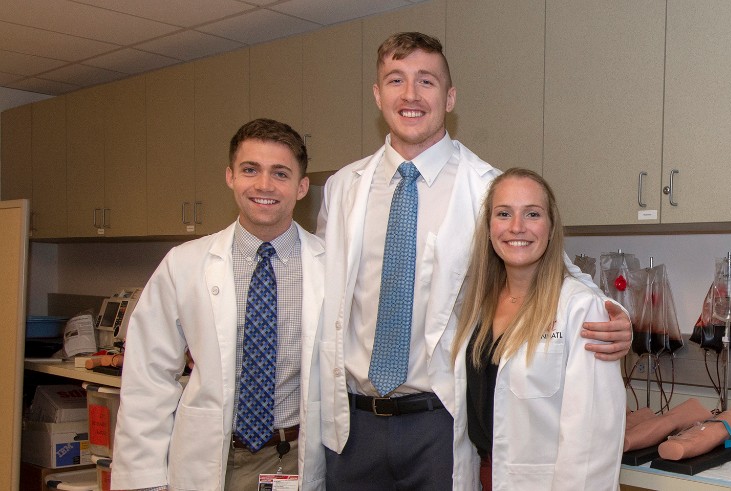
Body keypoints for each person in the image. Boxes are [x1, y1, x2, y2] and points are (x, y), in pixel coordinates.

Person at [316, 32, 632, 490]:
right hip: (353, 424)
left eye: (426, 81)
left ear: (449, 97)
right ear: (376, 94)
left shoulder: (487, 187)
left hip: (436, 423)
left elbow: (551, 260)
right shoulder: (343, 188)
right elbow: (329, 293)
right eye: (395, 80)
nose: (410, 95)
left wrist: (614, 314)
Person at [113, 119, 325, 491]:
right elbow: (148, 376)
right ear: (230, 176)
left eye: (280, 173)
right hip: (210, 458)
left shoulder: (332, 265)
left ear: (302, 186)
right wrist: (143, 478)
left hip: (294, 456)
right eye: (250, 170)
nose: (264, 185)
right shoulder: (185, 264)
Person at [449, 168, 626, 489]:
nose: (517, 227)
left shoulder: (579, 307)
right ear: (489, 227)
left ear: (551, 227)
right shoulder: (476, 305)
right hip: (484, 476)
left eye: (532, 214)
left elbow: (593, 438)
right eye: (504, 214)